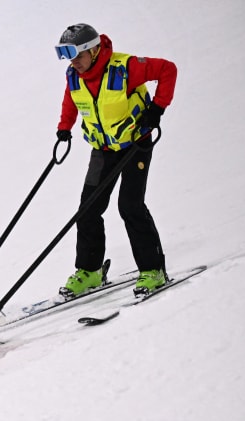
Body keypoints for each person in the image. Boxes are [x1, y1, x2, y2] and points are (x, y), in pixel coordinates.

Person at [53, 24, 178, 298]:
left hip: (135, 142)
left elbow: (168, 69)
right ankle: (90, 271)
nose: (73, 62)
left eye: (76, 55)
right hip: (103, 148)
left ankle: (153, 269)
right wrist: (65, 128)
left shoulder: (125, 67)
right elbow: (71, 100)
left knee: (130, 205)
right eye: (68, 57)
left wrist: (157, 108)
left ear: (94, 50)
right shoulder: (74, 75)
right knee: (87, 209)